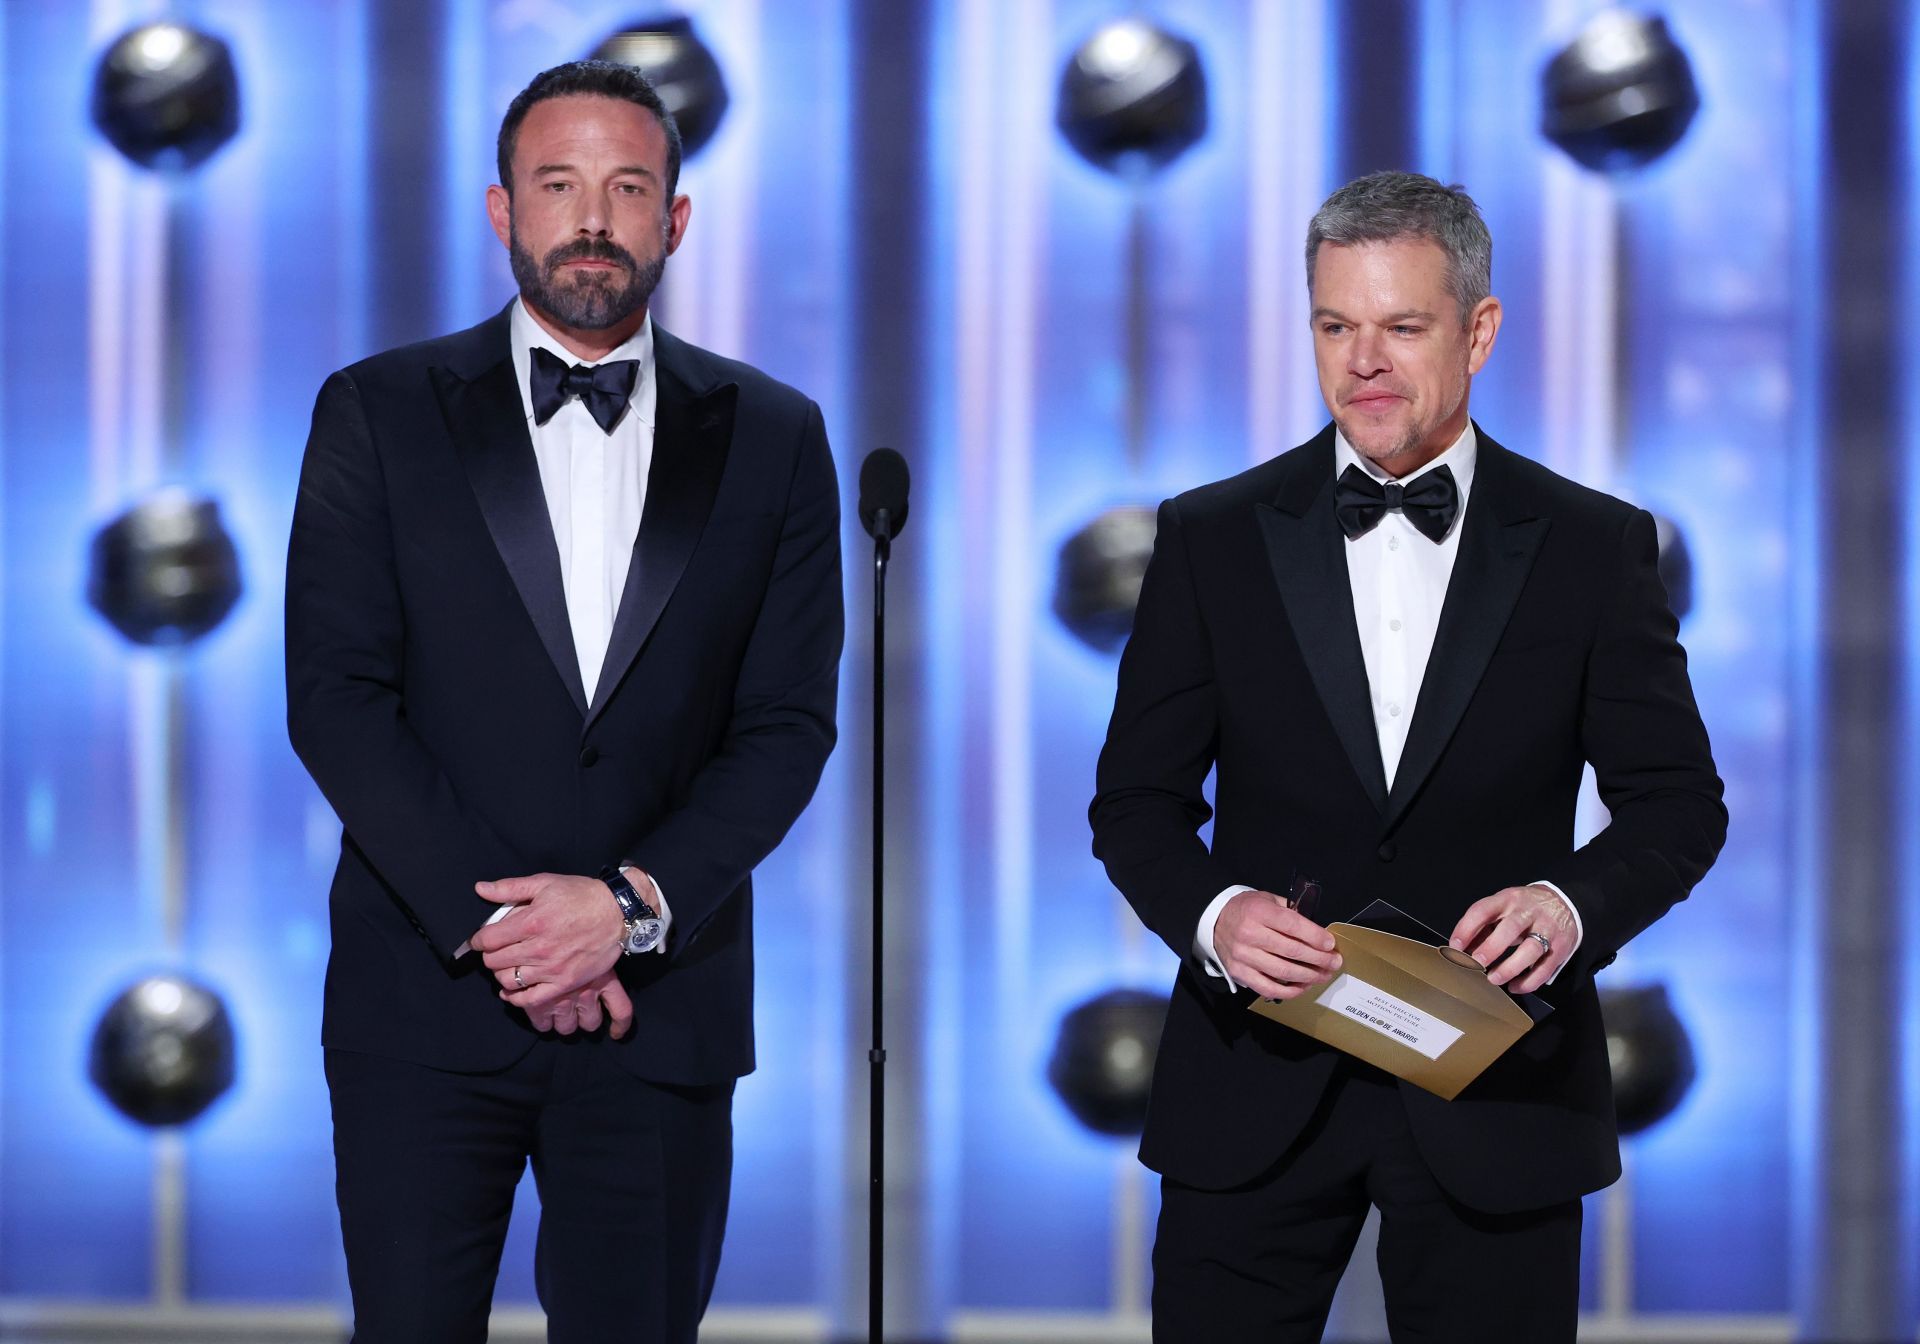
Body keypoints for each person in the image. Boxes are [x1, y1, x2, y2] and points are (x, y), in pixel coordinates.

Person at [1089, 171, 1725, 1342]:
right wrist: (1217, 914)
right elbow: (1133, 803)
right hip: (1255, 1077)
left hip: (1496, 1089)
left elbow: (1679, 805)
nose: (1362, 360)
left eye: (1401, 326)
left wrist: (1570, 907)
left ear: (1479, 330)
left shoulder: (1592, 546)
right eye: (1336, 326)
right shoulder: (1209, 537)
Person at [286, 60, 842, 1343]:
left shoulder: (777, 433)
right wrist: (516, 937)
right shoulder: (375, 410)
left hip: (662, 1015)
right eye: (559, 184)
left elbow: (786, 725)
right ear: (502, 211)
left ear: (674, 219)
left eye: (627, 186)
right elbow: (337, 697)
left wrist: (630, 909)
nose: (592, 217)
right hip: (424, 1013)